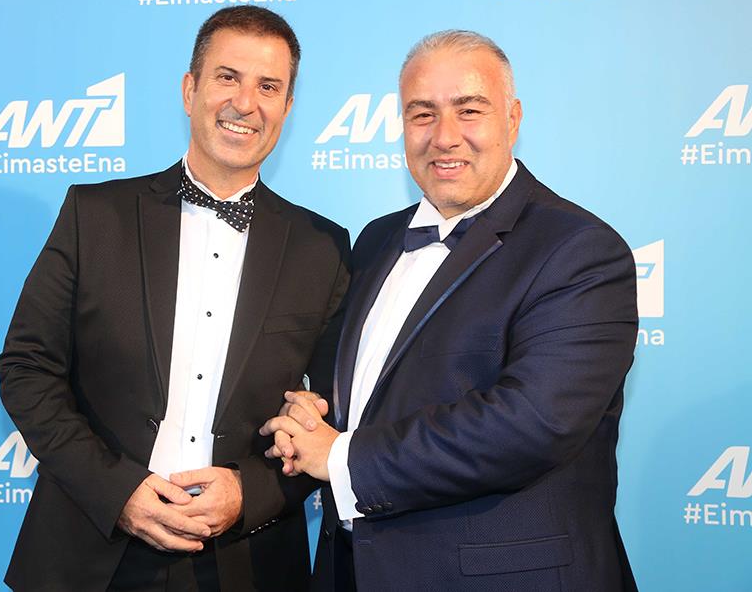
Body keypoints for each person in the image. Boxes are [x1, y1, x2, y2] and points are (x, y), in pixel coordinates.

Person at [261, 30, 639, 591]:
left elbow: (532, 423)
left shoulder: (580, 250)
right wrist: (308, 420)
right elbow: (370, 394)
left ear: (512, 118)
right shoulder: (377, 239)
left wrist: (341, 457)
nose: (444, 136)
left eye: (469, 110)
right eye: (422, 114)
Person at [0, 5, 350, 592]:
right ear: (190, 90)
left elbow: (334, 415)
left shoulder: (324, 247)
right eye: (227, 77)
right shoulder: (95, 216)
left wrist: (248, 492)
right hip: (90, 552)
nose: (245, 103)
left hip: (248, 563)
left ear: (287, 107)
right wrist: (118, 492)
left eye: (268, 87)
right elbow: (27, 369)